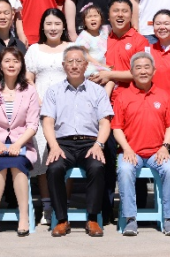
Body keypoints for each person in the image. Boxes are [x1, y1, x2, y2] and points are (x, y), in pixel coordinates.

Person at [42, 46, 112, 238]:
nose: (74, 65)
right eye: (70, 62)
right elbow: (47, 121)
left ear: (86, 65)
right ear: (64, 65)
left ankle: (92, 218)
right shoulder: (53, 91)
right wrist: (54, 146)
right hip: (62, 143)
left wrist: (99, 144)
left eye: (79, 61)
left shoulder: (97, 91)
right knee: (54, 169)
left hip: (90, 143)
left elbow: (105, 122)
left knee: (97, 167)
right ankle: (62, 219)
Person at [112, 52, 170, 236]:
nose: (143, 71)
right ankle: (130, 219)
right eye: (138, 68)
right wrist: (126, 149)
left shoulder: (164, 96)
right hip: (131, 152)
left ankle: (169, 219)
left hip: (157, 152)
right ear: (132, 72)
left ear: (154, 71)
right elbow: (116, 128)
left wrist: (165, 147)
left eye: (146, 67)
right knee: (125, 170)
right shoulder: (122, 97)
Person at [0, 47, 40, 237]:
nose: (11, 65)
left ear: (21, 65)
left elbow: (32, 124)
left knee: (18, 164)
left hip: (22, 145)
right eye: (7, 61)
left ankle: (23, 217)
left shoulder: (29, 91)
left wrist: (18, 144)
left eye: (15, 61)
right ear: (0, 65)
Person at [25, 8, 72, 223]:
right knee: (44, 159)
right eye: (49, 24)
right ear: (42, 27)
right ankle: (46, 206)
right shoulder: (34, 50)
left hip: (68, 110)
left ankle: (63, 204)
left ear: (64, 26)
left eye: (57, 24)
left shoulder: (72, 48)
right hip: (41, 109)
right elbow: (28, 78)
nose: (53, 28)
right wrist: (38, 99)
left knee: (66, 157)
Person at [91, 0, 149, 95]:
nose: (120, 14)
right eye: (116, 11)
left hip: (130, 98)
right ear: (108, 15)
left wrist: (109, 75)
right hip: (101, 97)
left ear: (131, 15)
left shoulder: (140, 41)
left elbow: (141, 72)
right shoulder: (101, 39)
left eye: (125, 11)